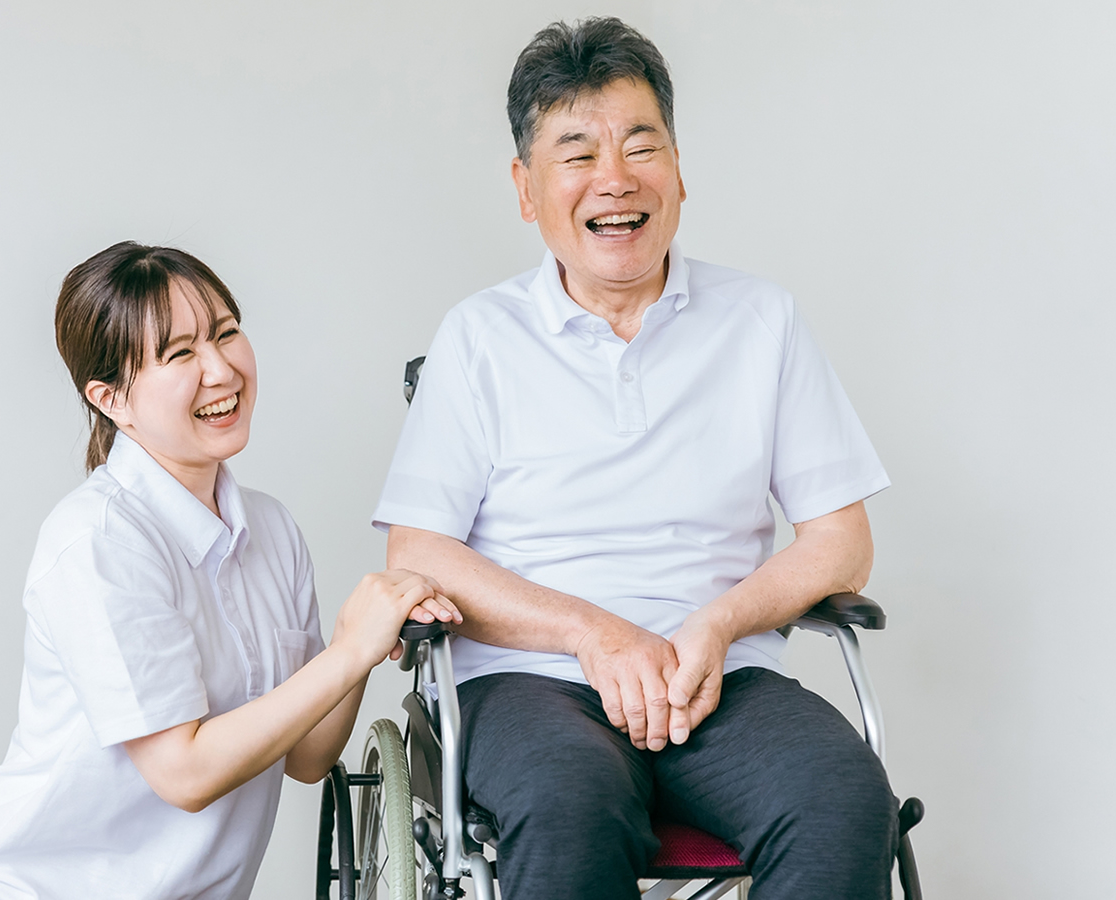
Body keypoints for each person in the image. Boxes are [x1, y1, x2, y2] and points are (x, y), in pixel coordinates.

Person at [373, 17, 897, 900]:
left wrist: (717, 626)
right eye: (577, 154)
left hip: (719, 677)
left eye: (641, 146)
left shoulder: (761, 321)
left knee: (842, 799)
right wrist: (594, 633)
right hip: (532, 680)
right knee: (569, 805)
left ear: (679, 170)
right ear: (526, 188)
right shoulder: (480, 337)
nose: (615, 179)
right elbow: (417, 552)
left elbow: (841, 541)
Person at [0, 242, 459, 900]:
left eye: (226, 333)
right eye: (180, 354)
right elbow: (184, 773)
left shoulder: (271, 530)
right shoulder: (100, 542)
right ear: (110, 398)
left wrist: (361, 640)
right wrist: (348, 652)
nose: (221, 369)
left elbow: (307, 757)